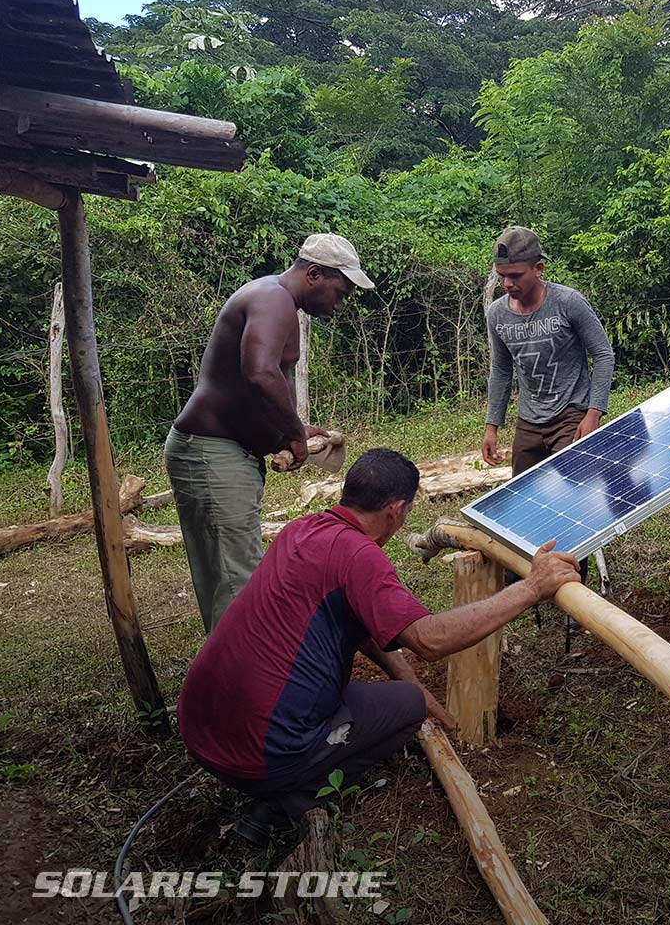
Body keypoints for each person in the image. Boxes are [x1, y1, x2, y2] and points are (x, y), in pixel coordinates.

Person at [178, 449, 581, 845]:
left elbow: (362, 624)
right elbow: (430, 639)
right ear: (396, 509)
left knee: (408, 696)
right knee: (406, 708)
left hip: (199, 728)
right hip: (259, 756)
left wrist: (420, 687)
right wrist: (531, 588)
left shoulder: (301, 530)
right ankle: (288, 803)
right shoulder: (359, 555)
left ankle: (282, 776)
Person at [165, 233, 372, 633]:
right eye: (340, 290)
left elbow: (254, 388)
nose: (340, 303)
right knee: (235, 582)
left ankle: (230, 682)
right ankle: (242, 688)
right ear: (314, 274)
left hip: (219, 453)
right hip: (212, 454)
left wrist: (290, 430)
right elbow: (259, 372)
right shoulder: (273, 298)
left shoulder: (277, 300)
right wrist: (293, 432)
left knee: (227, 577)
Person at [480, 226, 615, 476]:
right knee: (524, 495)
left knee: (575, 490)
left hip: (570, 415)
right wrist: (492, 426)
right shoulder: (498, 314)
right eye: (502, 276)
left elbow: (604, 354)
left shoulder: (568, 302)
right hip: (528, 421)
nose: (507, 284)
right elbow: (500, 370)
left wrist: (594, 414)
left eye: (516, 275)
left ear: (538, 269)